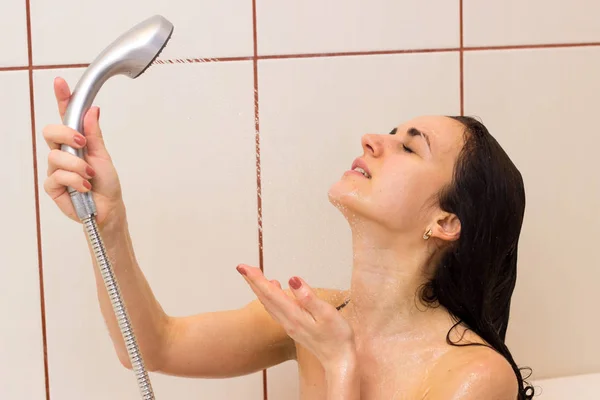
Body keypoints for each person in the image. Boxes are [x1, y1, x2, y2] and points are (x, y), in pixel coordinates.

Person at [43, 76, 535, 399]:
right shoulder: (313, 316)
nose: (372, 140)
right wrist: (108, 223)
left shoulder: (474, 378)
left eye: (410, 147)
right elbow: (151, 347)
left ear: (446, 222)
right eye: (391, 132)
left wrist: (340, 366)